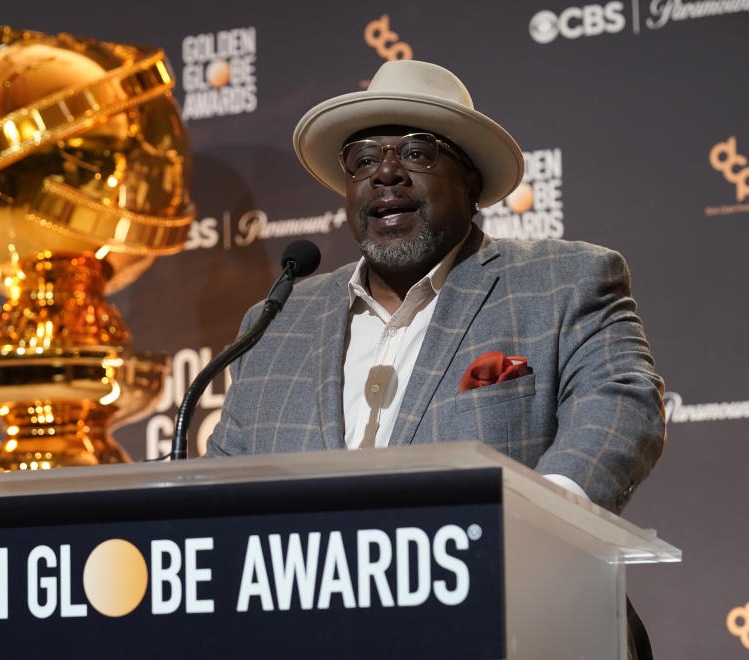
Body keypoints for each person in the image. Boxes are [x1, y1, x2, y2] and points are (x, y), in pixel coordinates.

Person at [205, 59, 666, 517]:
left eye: (416, 153)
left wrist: (545, 522)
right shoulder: (275, 325)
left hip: (502, 580)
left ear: (471, 182)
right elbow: (220, 486)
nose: (385, 174)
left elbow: (620, 403)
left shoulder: (564, 281)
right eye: (364, 160)